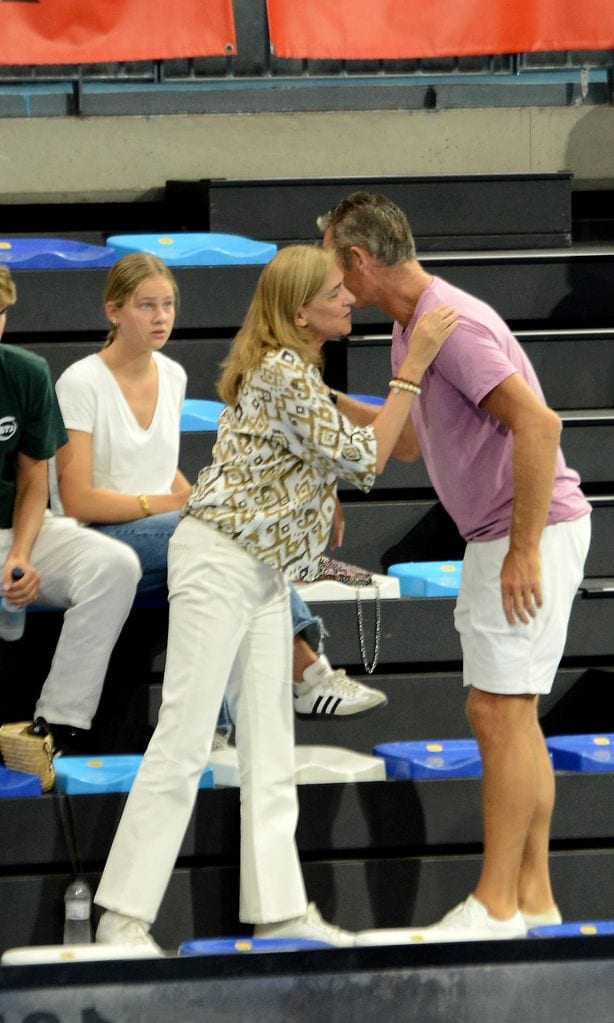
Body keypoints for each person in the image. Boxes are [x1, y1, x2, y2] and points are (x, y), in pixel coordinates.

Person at [93, 244, 457, 952]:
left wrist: (319, 494)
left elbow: (391, 447)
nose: (350, 297)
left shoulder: (297, 371)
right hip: (220, 562)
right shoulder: (285, 370)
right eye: (334, 290)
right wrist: (411, 371)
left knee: (270, 742)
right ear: (300, 310)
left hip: (262, 574)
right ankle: (123, 919)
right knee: (185, 736)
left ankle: (281, 908)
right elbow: (367, 460)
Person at [319, 192, 592, 943]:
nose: (332, 279)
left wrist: (525, 548)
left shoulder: (455, 326)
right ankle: (533, 896)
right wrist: (326, 399)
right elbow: (406, 443)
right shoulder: (414, 329)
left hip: (523, 530)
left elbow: (540, 424)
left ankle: (495, 903)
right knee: (510, 712)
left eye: (332, 261)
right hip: (503, 532)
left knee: (499, 714)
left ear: (357, 261)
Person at [54, 252, 387, 735]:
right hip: (97, 540)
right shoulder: (80, 382)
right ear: (114, 312)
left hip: (162, 531)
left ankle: (221, 724)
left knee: (226, 551)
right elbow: (78, 501)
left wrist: (201, 507)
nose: (161, 316)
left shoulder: (172, 374)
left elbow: (165, 470)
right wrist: (177, 508)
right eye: (146, 305)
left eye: (168, 304)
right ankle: (308, 675)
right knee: (228, 541)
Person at [0, 264, 141, 756]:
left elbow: (35, 477)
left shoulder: (25, 371)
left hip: (20, 527)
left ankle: (54, 726)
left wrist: (20, 553)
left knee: (114, 564)